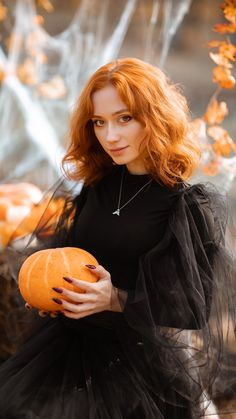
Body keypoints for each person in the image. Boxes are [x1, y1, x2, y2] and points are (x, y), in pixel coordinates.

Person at [0, 57, 235, 419]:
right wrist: (50, 290)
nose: (110, 136)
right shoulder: (97, 187)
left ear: (154, 117)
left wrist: (116, 299)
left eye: (124, 118)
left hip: (136, 361)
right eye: (99, 122)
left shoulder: (184, 205)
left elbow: (192, 308)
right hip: (70, 345)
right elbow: (67, 254)